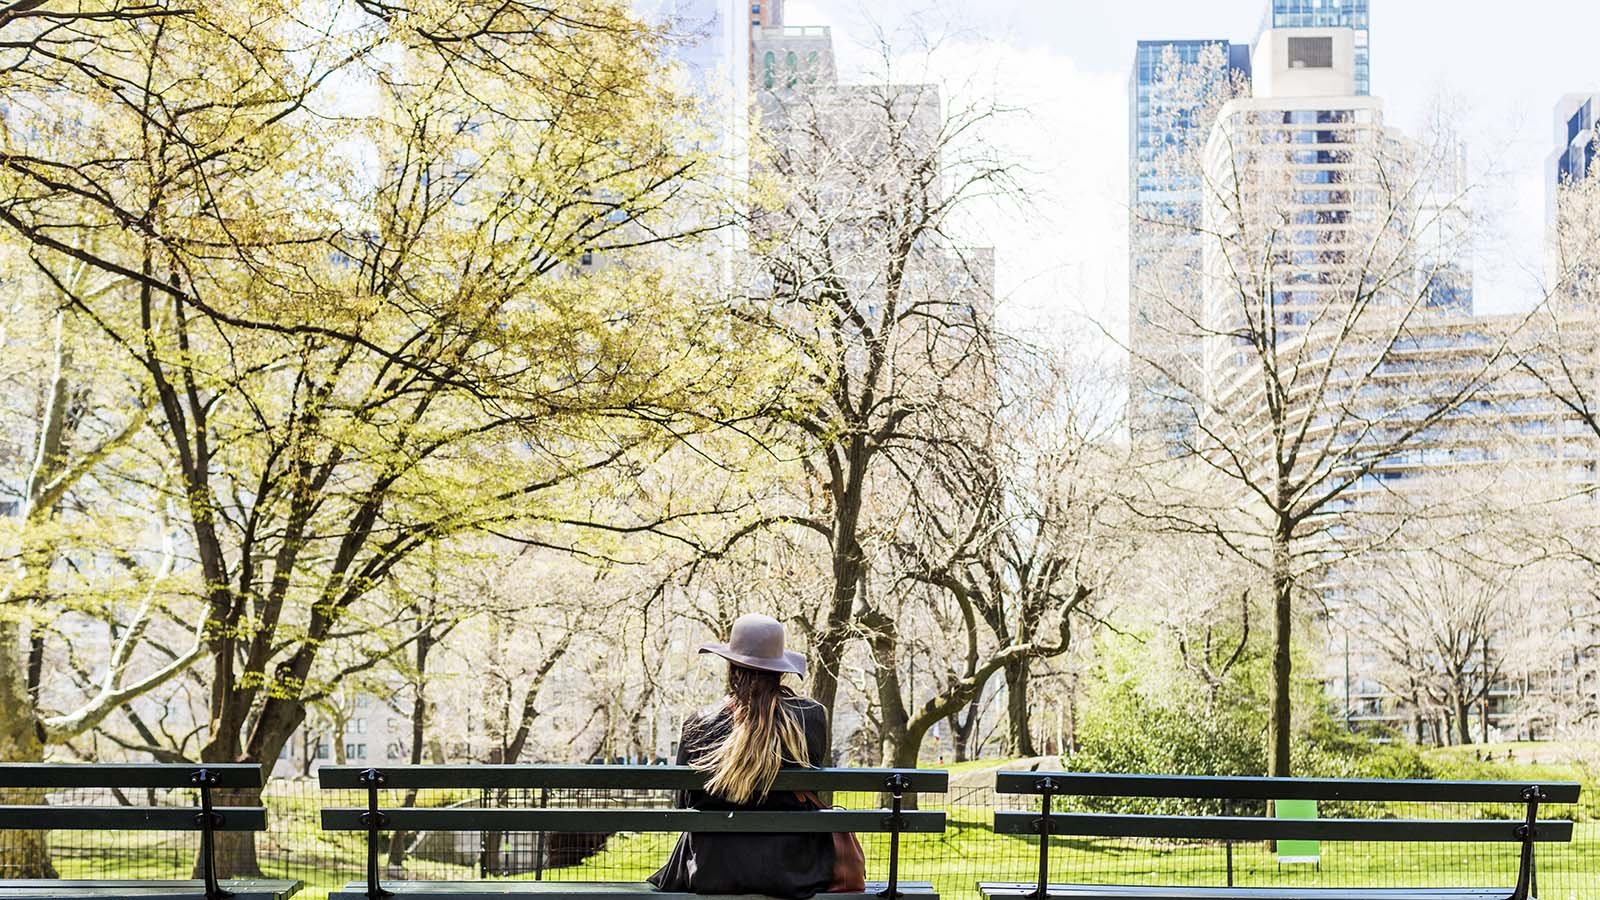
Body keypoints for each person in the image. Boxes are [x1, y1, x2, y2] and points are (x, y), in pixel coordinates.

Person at [649, 614, 834, 898]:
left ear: (732, 668)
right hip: (792, 868)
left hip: (713, 868)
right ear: (779, 670)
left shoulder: (699, 722)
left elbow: (684, 802)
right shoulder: (811, 717)